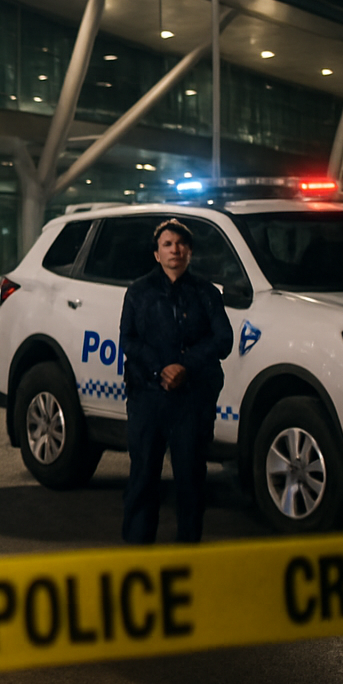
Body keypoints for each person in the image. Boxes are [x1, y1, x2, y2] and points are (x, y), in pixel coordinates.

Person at [119, 217, 232, 544]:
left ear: (190, 252)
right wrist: (160, 370)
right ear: (156, 254)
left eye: (181, 244)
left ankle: (188, 551)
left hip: (192, 400)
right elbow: (129, 340)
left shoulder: (206, 293)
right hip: (147, 397)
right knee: (142, 477)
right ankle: (138, 551)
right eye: (167, 244)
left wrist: (185, 366)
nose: (175, 250)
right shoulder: (139, 293)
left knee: (191, 479)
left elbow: (222, 339)